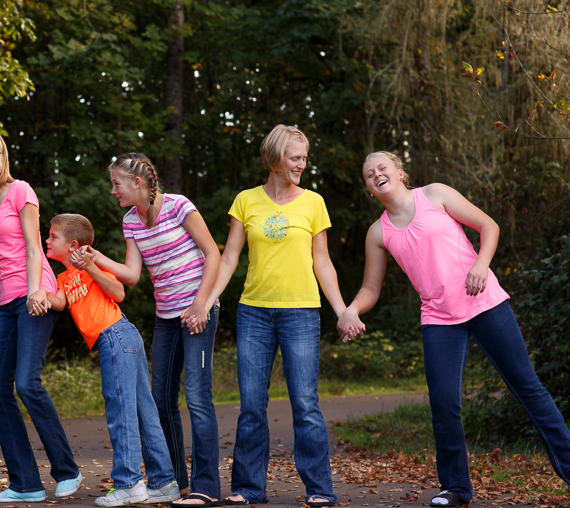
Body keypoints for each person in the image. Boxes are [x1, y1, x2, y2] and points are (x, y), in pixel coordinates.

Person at [336, 151, 570, 507]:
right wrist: (351, 309)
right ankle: (456, 488)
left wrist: (481, 264)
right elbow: (371, 288)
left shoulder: (435, 194)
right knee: (444, 404)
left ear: (400, 173)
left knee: (529, 389)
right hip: (438, 318)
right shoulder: (376, 233)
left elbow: (489, 226)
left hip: (484, 301)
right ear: (370, 189)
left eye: (382, 167)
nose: (377, 174)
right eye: (369, 174)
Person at [204, 125, 344, 507]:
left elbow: (323, 262)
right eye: (296, 156)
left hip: (301, 312)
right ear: (275, 157)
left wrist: (341, 310)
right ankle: (249, 488)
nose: (302, 163)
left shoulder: (313, 202)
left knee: (305, 403)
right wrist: (207, 300)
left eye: (304, 156)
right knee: (251, 404)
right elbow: (230, 256)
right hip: (254, 313)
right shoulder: (246, 200)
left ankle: (319, 489)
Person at [76, 153, 222, 507]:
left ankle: (207, 487)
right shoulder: (131, 221)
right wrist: (93, 258)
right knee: (161, 400)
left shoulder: (179, 207)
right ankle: (177, 483)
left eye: (117, 184)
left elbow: (213, 254)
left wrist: (201, 304)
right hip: (166, 316)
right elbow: (131, 274)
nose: (113, 191)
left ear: (137, 183)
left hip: (197, 311)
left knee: (198, 398)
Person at [0, 130, 82, 503]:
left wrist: (34, 292)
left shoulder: (21, 192)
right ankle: (26, 483)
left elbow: (32, 247)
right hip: (8, 302)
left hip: (35, 292)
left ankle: (67, 471)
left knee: (27, 383)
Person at [37, 213, 180, 507]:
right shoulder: (64, 277)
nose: (47, 240)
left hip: (116, 335)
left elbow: (118, 291)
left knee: (121, 410)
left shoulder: (92, 266)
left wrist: (90, 264)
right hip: (119, 338)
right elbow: (61, 302)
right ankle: (164, 483)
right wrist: (39, 294)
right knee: (143, 411)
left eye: (52, 236)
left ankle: (128, 483)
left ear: (73, 244)